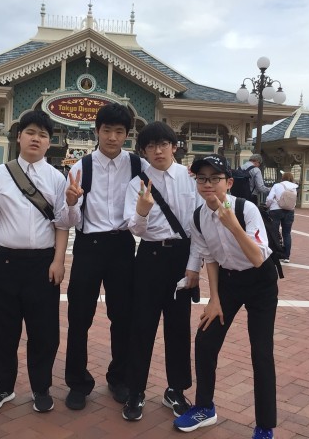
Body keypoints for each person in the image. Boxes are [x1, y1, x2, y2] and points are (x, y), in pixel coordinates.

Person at [173, 154, 279, 439]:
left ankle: (265, 425)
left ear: (229, 182)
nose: (208, 184)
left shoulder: (246, 209)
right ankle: (204, 407)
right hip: (229, 282)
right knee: (205, 340)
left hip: (261, 282)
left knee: (261, 352)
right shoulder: (198, 217)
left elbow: (257, 258)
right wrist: (214, 299)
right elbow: (209, 257)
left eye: (215, 178)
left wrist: (233, 224)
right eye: (202, 178)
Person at [0, 110, 69, 414]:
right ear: (19, 137)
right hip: (4, 262)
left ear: (49, 142)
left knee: (44, 332)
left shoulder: (57, 178)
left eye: (42, 135)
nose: (35, 139)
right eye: (30, 132)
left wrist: (59, 261)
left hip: (42, 263)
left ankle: (41, 388)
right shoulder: (1, 173)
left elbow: (62, 224)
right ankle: (3, 387)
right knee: (3, 330)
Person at [62, 103, 148, 411]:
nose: (112, 137)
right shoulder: (80, 167)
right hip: (89, 246)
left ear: (127, 135)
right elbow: (69, 220)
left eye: (119, 131)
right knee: (79, 316)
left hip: (122, 245)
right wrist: (71, 203)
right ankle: (77, 382)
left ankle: (119, 378)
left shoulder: (138, 165)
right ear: (97, 131)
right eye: (107, 130)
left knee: (123, 316)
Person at [121, 122, 202, 421]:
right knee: (141, 325)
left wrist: (194, 266)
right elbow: (134, 227)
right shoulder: (137, 183)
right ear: (143, 151)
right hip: (150, 257)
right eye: (151, 146)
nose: (158, 151)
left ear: (174, 146)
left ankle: (175, 390)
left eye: (163, 144)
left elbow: (199, 227)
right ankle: (135, 391)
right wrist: (142, 210)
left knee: (179, 327)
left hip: (181, 257)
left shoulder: (190, 179)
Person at [266, 172, 298, 263]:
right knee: (287, 233)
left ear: (282, 178)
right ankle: (286, 256)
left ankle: (275, 254)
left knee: (274, 233)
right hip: (289, 211)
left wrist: (267, 206)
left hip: (275, 210)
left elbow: (270, 198)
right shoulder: (294, 187)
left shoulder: (277, 185)